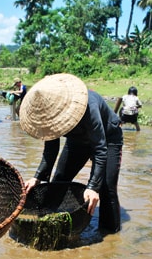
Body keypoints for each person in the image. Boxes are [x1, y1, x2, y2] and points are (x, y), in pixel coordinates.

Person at [20, 73, 123, 233]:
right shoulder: (50, 115)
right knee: (59, 181)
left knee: (106, 187)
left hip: (108, 138)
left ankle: (109, 235)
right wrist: (38, 176)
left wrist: (93, 187)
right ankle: (51, 225)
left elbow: (100, 148)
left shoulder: (89, 105)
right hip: (77, 141)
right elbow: (51, 149)